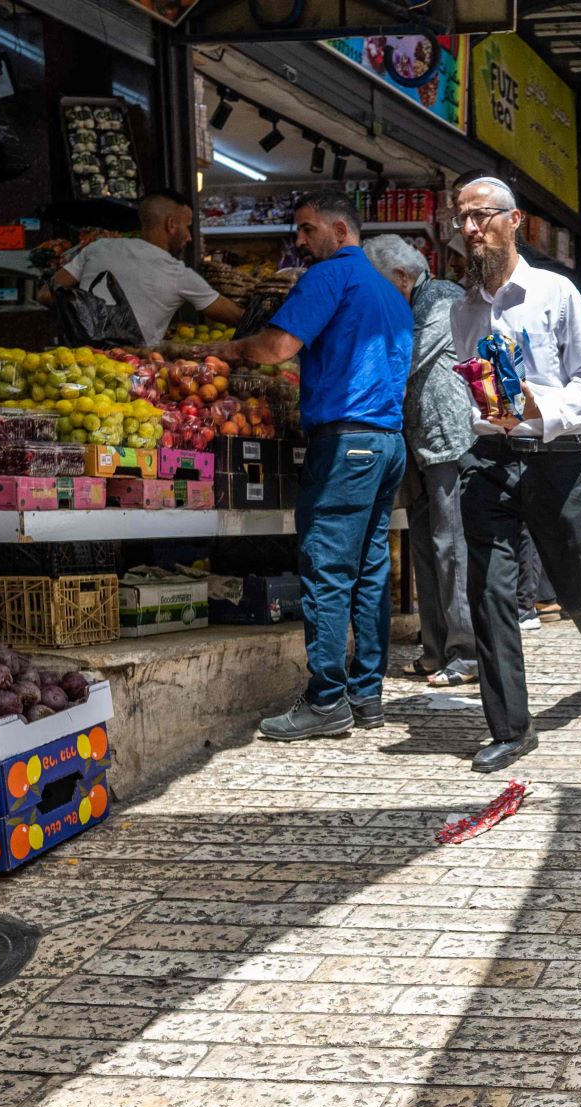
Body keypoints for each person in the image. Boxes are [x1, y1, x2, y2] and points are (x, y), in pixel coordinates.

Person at [199, 191, 411, 741]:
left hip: (345, 444)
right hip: (387, 444)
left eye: (306, 229)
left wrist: (227, 349)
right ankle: (366, 696)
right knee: (367, 572)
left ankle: (325, 702)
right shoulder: (388, 292)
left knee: (325, 569)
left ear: (340, 230)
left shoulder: (330, 276)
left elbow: (276, 347)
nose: (299, 241)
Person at [448, 177, 581, 774]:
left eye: (481, 216)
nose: (471, 229)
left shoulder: (555, 293)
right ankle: (509, 728)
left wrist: (541, 410)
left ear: (514, 220)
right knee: (491, 593)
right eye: (462, 219)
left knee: (574, 584)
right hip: (488, 461)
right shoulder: (462, 309)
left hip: (554, 457)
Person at [364, 234, 477, 691]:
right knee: (427, 550)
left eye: (379, 288)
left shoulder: (441, 299)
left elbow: (403, 362)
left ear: (401, 277)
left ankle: (467, 651)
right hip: (420, 445)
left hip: (449, 441)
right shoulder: (411, 304)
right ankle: (436, 649)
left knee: (451, 547)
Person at [50, 190, 245, 348]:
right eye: (188, 227)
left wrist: (85, 315)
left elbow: (46, 293)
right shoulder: (178, 274)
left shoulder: (99, 247)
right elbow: (236, 317)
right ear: (171, 225)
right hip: (132, 375)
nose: (189, 237)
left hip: (78, 365)